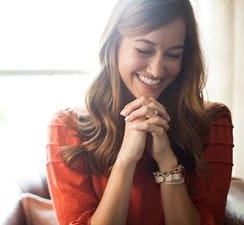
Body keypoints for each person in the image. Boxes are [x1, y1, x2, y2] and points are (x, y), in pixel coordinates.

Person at [46, 0, 233, 224]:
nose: (156, 70)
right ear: (113, 45)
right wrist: (126, 160)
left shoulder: (213, 121)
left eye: (173, 55)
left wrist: (167, 161)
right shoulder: (66, 128)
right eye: (144, 50)